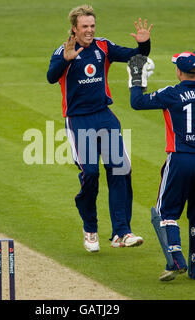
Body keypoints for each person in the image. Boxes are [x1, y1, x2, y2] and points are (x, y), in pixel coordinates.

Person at [47, 4, 153, 252]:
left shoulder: (103, 47)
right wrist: (66, 59)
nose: (90, 30)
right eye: (85, 26)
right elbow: (51, 77)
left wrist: (144, 44)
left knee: (119, 170)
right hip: (79, 120)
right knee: (91, 174)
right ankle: (90, 228)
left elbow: (135, 56)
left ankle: (122, 232)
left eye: (92, 26)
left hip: (104, 117)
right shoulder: (64, 51)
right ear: (74, 28)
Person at [127, 50, 195, 280]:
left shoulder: (172, 94)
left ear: (179, 71)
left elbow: (137, 102)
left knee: (166, 212)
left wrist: (137, 78)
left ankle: (176, 261)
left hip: (180, 158)